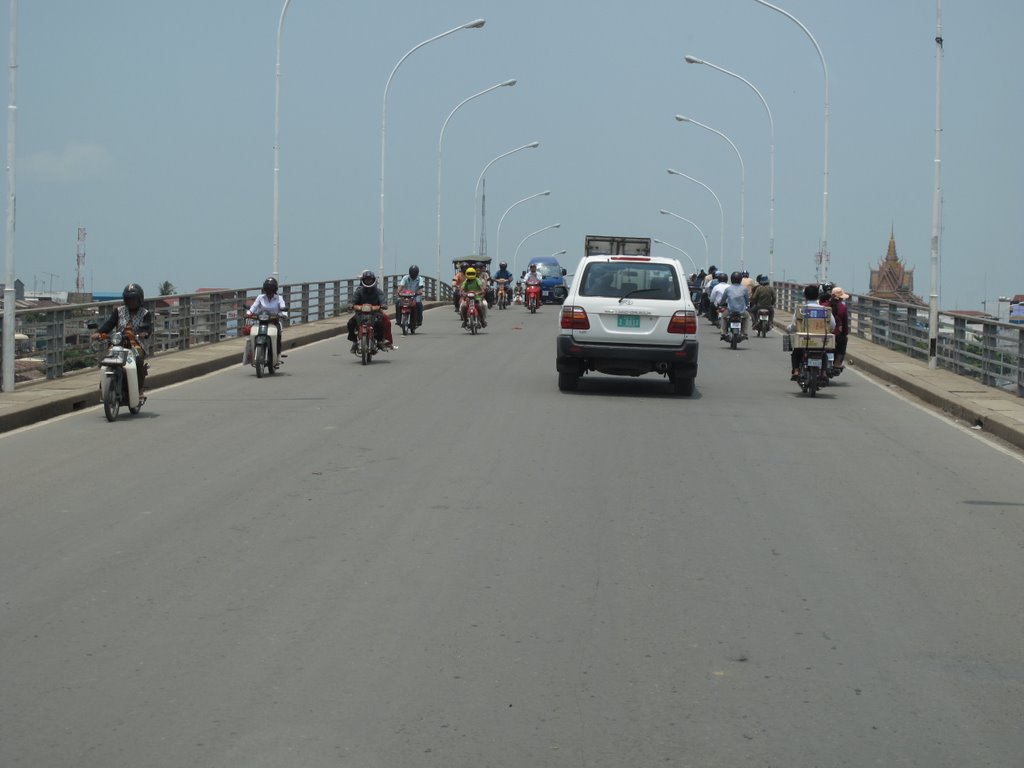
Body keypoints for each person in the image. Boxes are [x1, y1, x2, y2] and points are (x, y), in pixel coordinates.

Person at [92, 282, 153, 397]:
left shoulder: (145, 313)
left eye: (134, 299)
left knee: (138, 360)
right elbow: (109, 324)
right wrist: (99, 333)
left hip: (136, 344)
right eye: (129, 299)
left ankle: (139, 389)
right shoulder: (119, 311)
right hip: (118, 342)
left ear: (140, 299)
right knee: (107, 359)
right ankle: (104, 386)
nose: (131, 302)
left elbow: (147, 326)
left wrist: (144, 333)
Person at [787, 283, 836, 379]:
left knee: (796, 353)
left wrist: (788, 329)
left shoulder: (801, 310)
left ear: (805, 296)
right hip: (821, 341)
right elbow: (833, 325)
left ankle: (796, 371)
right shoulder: (825, 310)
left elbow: (794, 325)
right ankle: (823, 373)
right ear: (818, 296)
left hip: (804, 341)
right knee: (824, 354)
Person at [347, 270, 391, 352]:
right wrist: (351, 305)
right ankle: (354, 342)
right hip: (360, 313)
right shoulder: (359, 291)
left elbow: (383, 302)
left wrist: (383, 305)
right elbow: (353, 301)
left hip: (375, 313)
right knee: (350, 323)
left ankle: (380, 341)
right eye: (366, 279)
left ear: (373, 280)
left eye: (370, 279)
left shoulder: (378, 292)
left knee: (380, 323)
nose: (368, 281)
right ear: (363, 280)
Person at [247, 276, 288, 363]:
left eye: (271, 289)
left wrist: (284, 314)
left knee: (278, 337)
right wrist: (248, 313)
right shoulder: (260, 297)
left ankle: (277, 355)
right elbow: (254, 307)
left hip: (274, 321)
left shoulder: (279, 298)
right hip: (261, 321)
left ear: (275, 290)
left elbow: (283, 307)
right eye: (267, 289)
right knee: (251, 334)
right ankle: (251, 354)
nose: (269, 291)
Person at [719, 271, 750, 339]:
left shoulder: (728, 289)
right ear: (740, 279)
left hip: (730, 311)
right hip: (741, 312)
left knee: (723, 316)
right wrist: (748, 305)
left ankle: (723, 332)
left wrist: (720, 304)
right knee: (747, 316)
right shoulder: (744, 289)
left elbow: (723, 299)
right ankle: (745, 333)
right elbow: (747, 300)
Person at [829, 285, 851, 369]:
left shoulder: (825, 304)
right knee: (843, 340)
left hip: (825, 333)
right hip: (837, 334)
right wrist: (845, 333)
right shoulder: (842, 307)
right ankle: (837, 362)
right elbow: (845, 324)